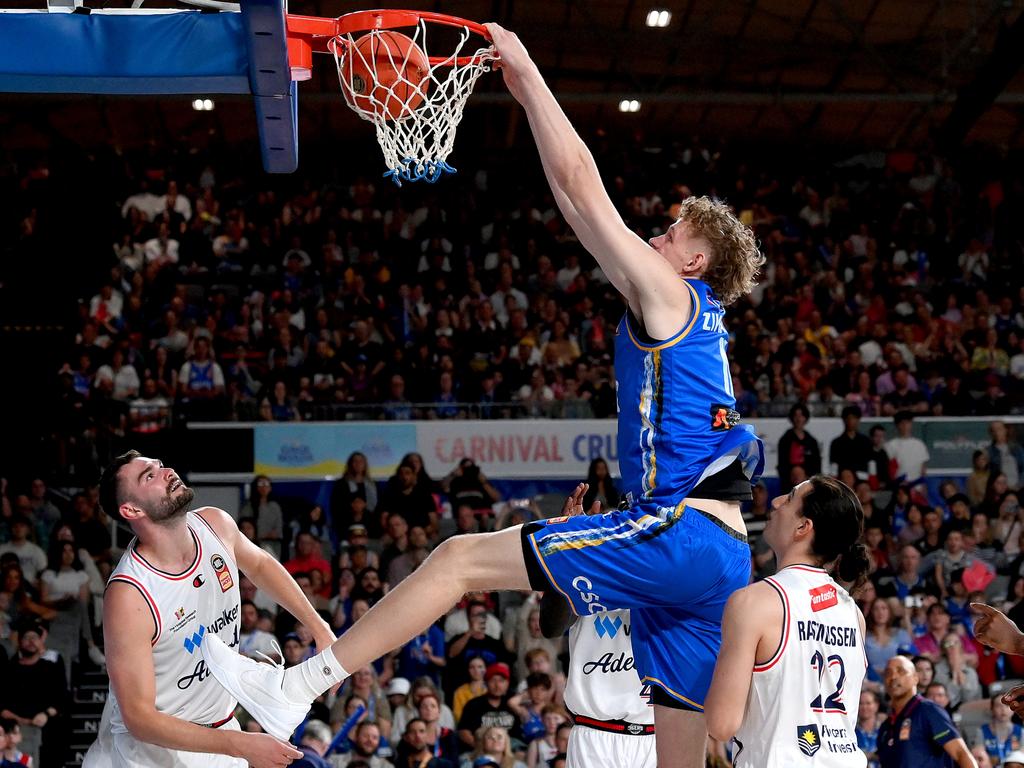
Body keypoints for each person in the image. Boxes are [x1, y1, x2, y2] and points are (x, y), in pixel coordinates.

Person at [199, 22, 765, 768]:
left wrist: (525, 72)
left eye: (668, 231)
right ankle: (298, 684)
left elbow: (585, 187)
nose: (654, 238)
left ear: (696, 258)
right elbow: (576, 208)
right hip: (726, 555)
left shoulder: (675, 291)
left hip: (678, 531)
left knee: (460, 558)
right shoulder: (703, 322)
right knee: (682, 761)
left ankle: (300, 684)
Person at [82, 450, 337, 768]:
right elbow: (140, 718)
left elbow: (259, 565)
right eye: (149, 475)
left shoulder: (215, 524)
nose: (167, 471)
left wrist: (319, 628)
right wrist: (240, 744)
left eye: (160, 465)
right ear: (131, 509)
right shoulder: (129, 594)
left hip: (218, 733)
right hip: (150, 752)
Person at [704, 476, 870, 766]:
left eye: (790, 497)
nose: (777, 501)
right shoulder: (854, 613)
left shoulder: (754, 602)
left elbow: (721, 724)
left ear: (803, 527)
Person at [538, 483, 655, 768]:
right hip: (595, 734)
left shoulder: (666, 578)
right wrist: (568, 549)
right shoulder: (587, 576)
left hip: (655, 735)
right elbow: (550, 627)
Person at [874, 656, 976, 767]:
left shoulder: (929, 711)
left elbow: (961, 754)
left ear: (915, 678)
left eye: (901, 671)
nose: (893, 676)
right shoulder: (886, 726)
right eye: (888, 673)